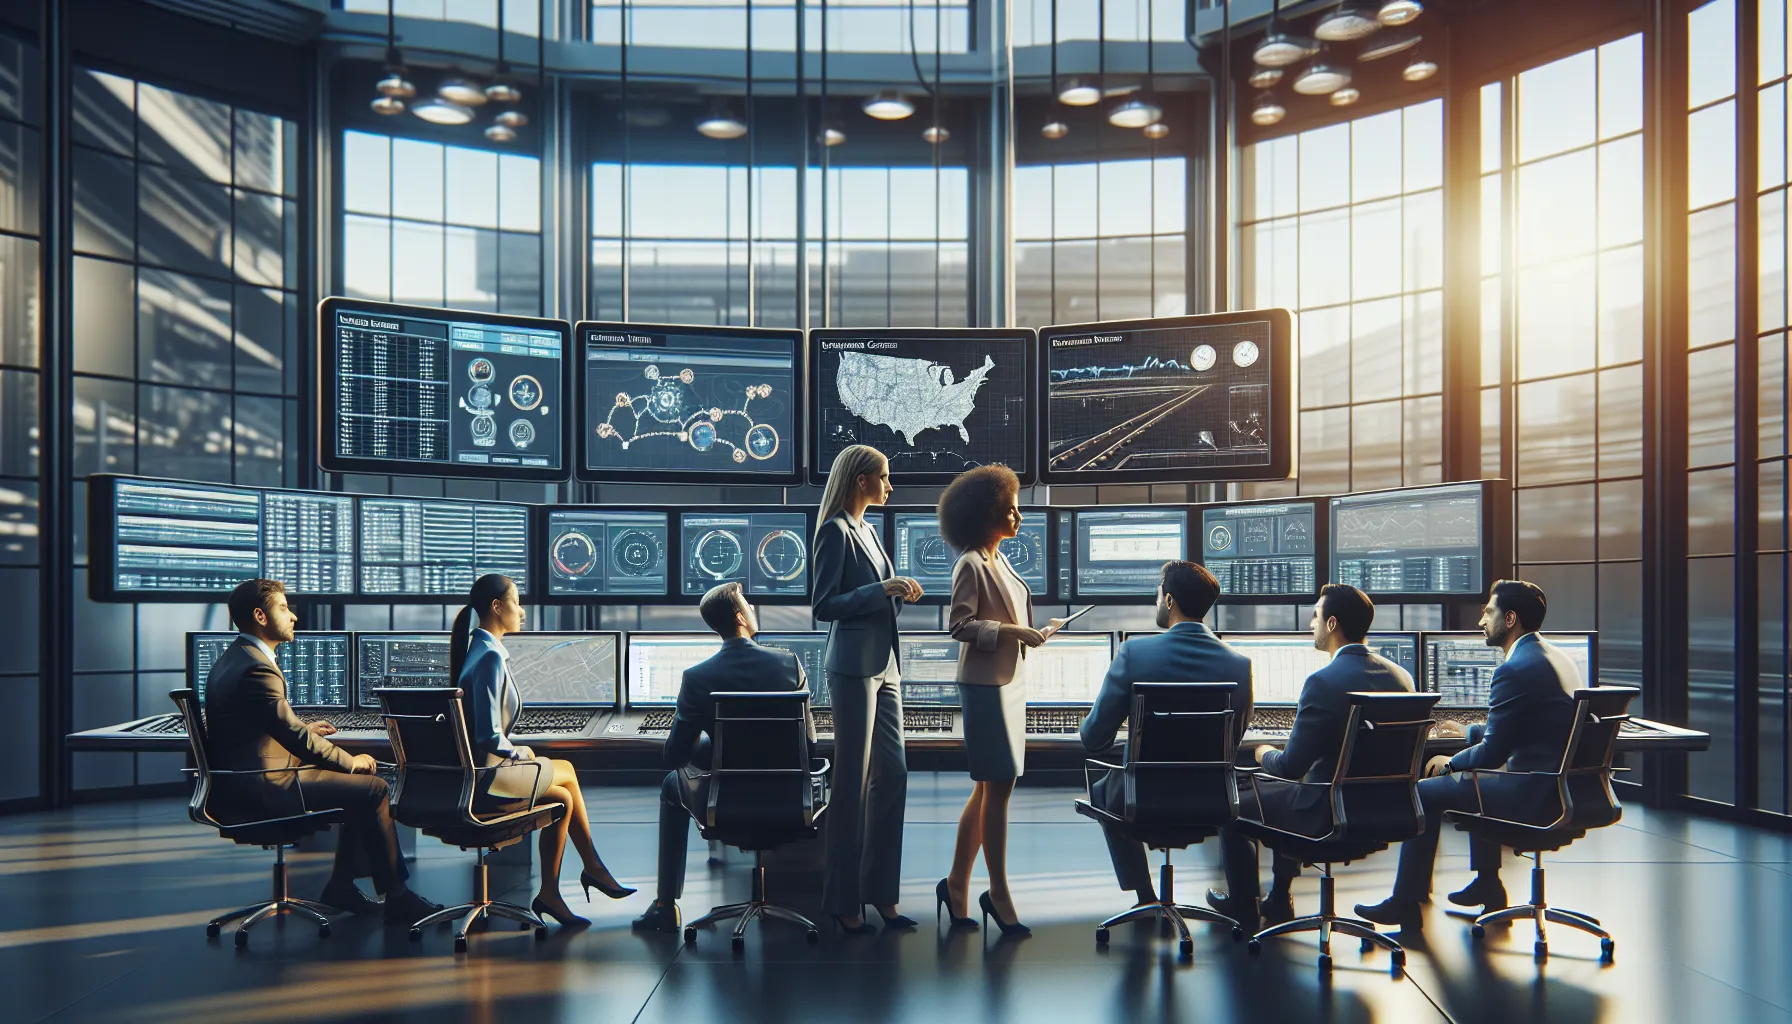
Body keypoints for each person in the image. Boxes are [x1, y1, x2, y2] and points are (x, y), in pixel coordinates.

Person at [203, 579, 442, 926]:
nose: (294, 617)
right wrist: (350, 761)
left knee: (357, 789)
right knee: (373, 788)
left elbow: (266, 724)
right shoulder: (256, 667)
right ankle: (398, 897)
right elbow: (294, 736)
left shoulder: (236, 657)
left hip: (243, 781)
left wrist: (304, 729)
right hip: (264, 788)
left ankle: (342, 886)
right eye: (284, 608)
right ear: (260, 616)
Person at [1355, 579, 1580, 928]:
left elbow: (1492, 754)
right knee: (1475, 779)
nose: (1481, 621)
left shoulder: (1512, 669)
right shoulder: (1556, 657)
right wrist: (1469, 733)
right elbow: (1522, 730)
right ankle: (1488, 884)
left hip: (1531, 794)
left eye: (1488, 612)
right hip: (1559, 787)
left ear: (1510, 619)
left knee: (1424, 791)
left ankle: (1405, 902)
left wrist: (1450, 763)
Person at [1205, 584, 1414, 933]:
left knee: (1234, 795)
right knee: (1292, 787)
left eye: (1315, 615)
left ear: (1332, 624)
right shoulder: (1402, 677)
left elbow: (1290, 766)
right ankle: (1278, 897)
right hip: (1385, 811)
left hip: (1323, 815)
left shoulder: (1323, 682)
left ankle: (1243, 903)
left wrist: (1264, 752)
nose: (1310, 623)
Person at [451, 573, 636, 929]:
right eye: (516, 602)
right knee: (565, 770)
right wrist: (520, 753)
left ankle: (556, 889)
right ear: (496, 607)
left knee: (564, 797)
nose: (521, 612)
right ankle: (591, 869)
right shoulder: (489, 657)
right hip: (489, 782)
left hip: (479, 777)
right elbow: (488, 737)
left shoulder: (479, 651)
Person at [632, 583, 812, 933]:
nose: (752, 608)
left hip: (725, 803)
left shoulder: (698, 677)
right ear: (739, 616)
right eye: (748, 603)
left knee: (672, 785)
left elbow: (675, 755)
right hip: (789, 799)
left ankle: (665, 905)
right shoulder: (788, 663)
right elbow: (808, 743)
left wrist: (707, 740)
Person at [939, 465, 1067, 937]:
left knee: (991, 787)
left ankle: (955, 885)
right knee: (999, 787)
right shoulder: (970, 563)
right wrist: (1014, 632)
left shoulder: (1000, 559)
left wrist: (1034, 633)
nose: (1018, 514)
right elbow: (959, 626)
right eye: (1008, 508)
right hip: (986, 687)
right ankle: (997, 892)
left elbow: (1005, 616)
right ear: (985, 514)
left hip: (1008, 682)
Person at [1079, 561, 1253, 907]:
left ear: (1170, 601)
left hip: (1140, 800)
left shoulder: (1134, 653)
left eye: (1158, 595)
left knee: (1102, 788)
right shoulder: (1238, 664)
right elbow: (1231, 743)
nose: (1157, 601)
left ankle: (1144, 895)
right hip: (1212, 800)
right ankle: (1246, 903)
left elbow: (1093, 738)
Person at [812, 444, 924, 933]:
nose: (890, 485)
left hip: (886, 664)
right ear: (861, 480)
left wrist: (897, 592)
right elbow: (823, 605)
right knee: (851, 784)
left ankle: (881, 893)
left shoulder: (870, 532)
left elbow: (876, 598)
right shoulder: (834, 531)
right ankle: (843, 899)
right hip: (854, 667)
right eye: (884, 477)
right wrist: (881, 590)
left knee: (893, 774)